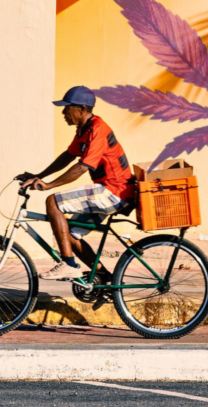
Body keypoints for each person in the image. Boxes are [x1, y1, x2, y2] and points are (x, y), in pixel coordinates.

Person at [19, 85, 136, 281]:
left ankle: (68, 264)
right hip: (107, 192)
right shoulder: (84, 129)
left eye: (67, 108)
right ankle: (104, 279)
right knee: (70, 235)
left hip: (114, 191)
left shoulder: (98, 129)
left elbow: (83, 167)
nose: (64, 113)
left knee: (52, 202)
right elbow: (68, 156)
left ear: (82, 109)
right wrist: (39, 175)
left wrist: (48, 186)